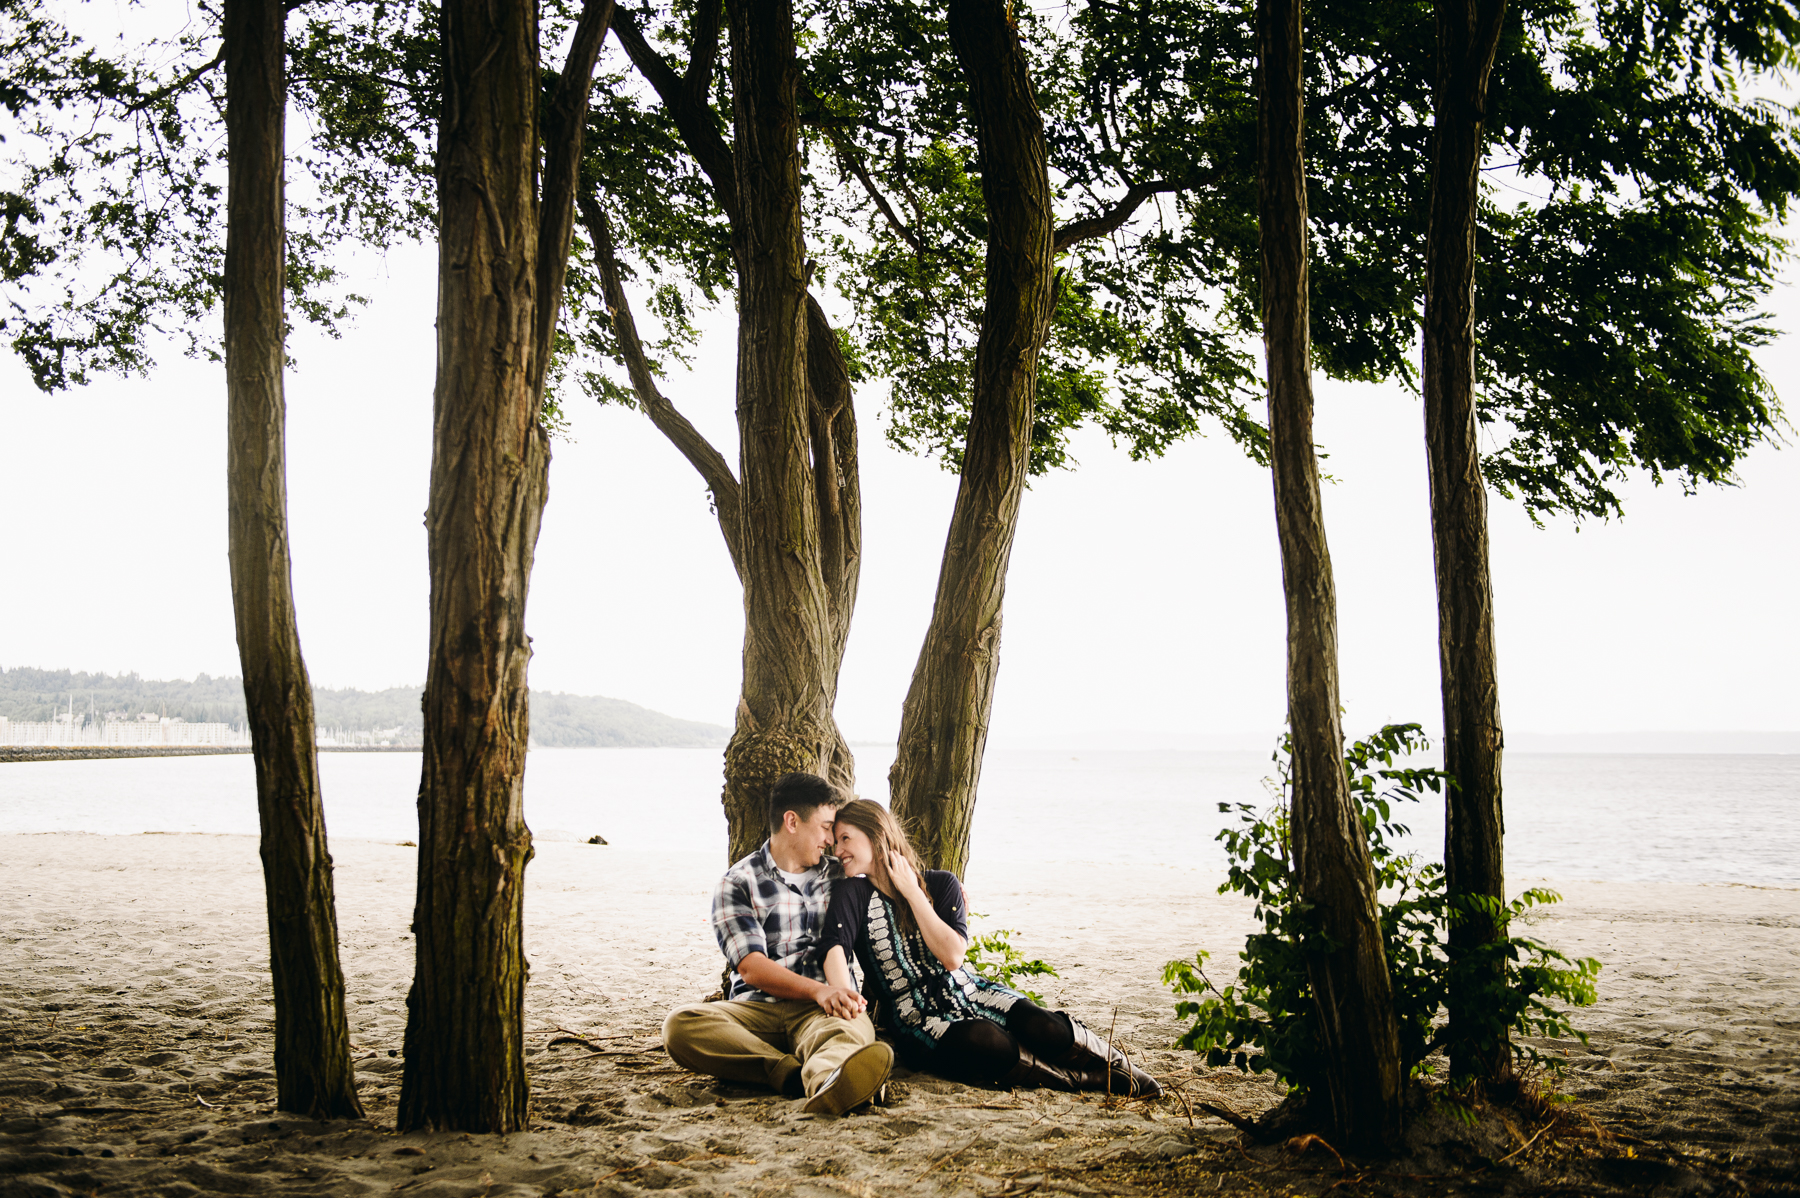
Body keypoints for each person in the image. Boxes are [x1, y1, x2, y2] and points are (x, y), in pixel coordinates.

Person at [820, 798, 1161, 1097]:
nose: (838, 851)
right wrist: (841, 991)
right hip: (915, 1017)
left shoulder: (941, 884)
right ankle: (1082, 1079)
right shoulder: (852, 894)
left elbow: (952, 957)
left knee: (1042, 1025)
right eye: (835, 842)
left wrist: (912, 892)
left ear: (877, 834)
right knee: (986, 1040)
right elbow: (836, 947)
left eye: (845, 838)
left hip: (972, 991)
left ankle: (1123, 1068)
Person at [662, 773, 894, 1116]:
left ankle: (828, 1082)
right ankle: (787, 1074)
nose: (831, 840)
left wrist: (942, 889)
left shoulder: (840, 877)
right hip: (756, 1012)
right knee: (680, 1025)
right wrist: (818, 990)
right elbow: (751, 968)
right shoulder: (738, 883)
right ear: (792, 821)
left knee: (850, 1030)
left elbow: (891, 884)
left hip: (823, 1012)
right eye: (826, 827)